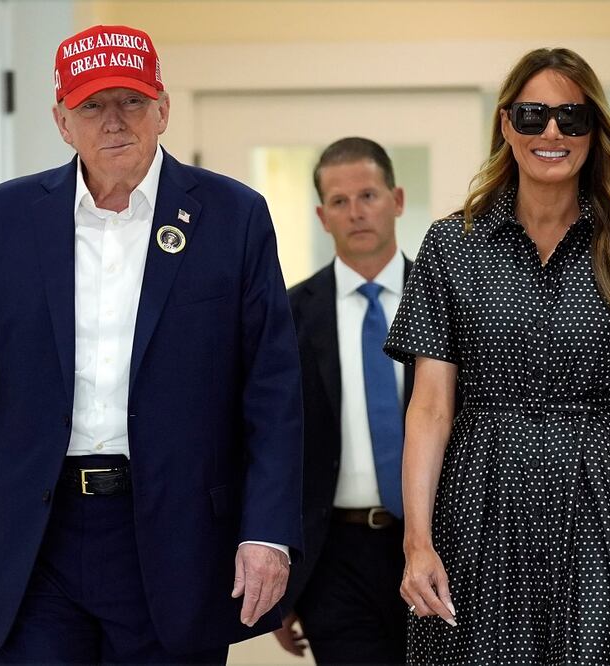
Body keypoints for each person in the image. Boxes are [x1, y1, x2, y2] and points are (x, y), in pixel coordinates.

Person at [0, 24, 303, 664]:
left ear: (163, 109)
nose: (114, 122)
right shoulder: (5, 218)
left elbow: (272, 388)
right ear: (61, 120)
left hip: (176, 536)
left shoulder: (232, 216)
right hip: (36, 535)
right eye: (91, 105)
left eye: (131, 101)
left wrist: (268, 532)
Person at [383, 47, 610, 664]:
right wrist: (417, 542)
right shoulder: (451, 245)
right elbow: (430, 407)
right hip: (481, 504)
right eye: (533, 115)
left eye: (572, 118)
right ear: (505, 124)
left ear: (594, 132)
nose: (551, 132)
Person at [275, 138, 410, 665]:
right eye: (339, 201)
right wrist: (283, 583)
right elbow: (274, 449)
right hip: (334, 556)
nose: (356, 212)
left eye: (369, 195)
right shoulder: (289, 314)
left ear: (397, 199)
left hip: (437, 547)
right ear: (321, 215)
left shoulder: (445, 300)